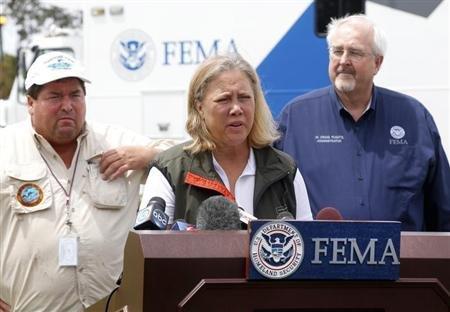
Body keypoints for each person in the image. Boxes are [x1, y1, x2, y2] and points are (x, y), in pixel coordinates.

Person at [0, 52, 171, 311]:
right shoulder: (5, 149)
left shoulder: (115, 142)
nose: (67, 105)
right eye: (55, 96)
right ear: (30, 103)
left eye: (75, 95)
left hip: (112, 307)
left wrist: (147, 156)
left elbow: (184, 161)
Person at [275, 14, 450, 231]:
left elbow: (443, 207)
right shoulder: (295, 118)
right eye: (337, 51)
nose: (343, 60)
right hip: (319, 261)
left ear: (377, 63)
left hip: (401, 261)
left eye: (355, 52)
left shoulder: (414, 118)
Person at [139, 54, 313, 224]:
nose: (236, 109)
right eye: (224, 99)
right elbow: (150, 247)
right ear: (199, 107)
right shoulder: (170, 170)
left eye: (244, 98)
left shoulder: (285, 170)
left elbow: (307, 244)